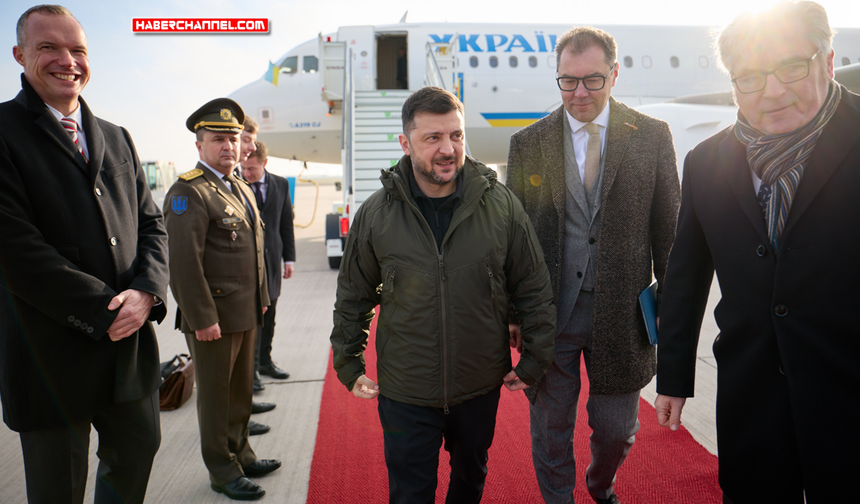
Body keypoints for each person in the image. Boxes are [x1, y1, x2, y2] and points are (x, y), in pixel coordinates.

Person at [655, 2, 860, 502]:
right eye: (749, 76)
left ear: (828, 62)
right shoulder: (706, 161)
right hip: (753, 392)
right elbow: (684, 275)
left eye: (792, 67)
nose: (772, 90)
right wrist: (674, 375)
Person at [330, 86, 556, 503]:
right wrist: (348, 361)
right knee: (410, 492)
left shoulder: (502, 206)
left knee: (470, 481)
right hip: (406, 390)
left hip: (478, 383)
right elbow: (354, 296)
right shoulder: (376, 215)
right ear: (406, 143)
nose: (448, 148)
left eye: (455, 135)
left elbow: (532, 285)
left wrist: (535, 358)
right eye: (432, 138)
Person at [0, 5, 169, 503]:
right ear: (20, 55)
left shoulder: (116, 137)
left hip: (128, 345)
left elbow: (151, 224)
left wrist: (146, 290)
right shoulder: (5, 131)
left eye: (77, 50)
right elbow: (14, 248)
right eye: (48, 47)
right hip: (50, 350)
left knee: (138, 451)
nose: (66, 60)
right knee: (59, 487)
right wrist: (104, 308)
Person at [506, 26, 680, 504]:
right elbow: (514, 242)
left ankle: (601, 489)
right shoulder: (527, 143)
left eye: (592, 80)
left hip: (623, 316)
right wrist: (514, 313)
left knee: (616, 431)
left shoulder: (651, 137)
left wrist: (672, 307)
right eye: (568, 81)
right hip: (550, 315)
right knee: (550, 430)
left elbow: (669, 232)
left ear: (615, 75)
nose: (579, 93)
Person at [163, 98, 280, 501]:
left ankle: (242, 454)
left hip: (245, 312)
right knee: (215, 400)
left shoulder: (241, 187)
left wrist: (262, 299)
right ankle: (222, 470)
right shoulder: (189, 191)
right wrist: (200, 317)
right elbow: (183, 262)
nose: (229, 146)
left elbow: (254, 251)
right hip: (212, 317)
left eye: (232, 138)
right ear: (200, 146)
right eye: (218, 139)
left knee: (240, 393)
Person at [241, 141, 296, 384]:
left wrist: (289, 259)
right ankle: (250, 371)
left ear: (265, 163)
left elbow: (286, 223)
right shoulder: (235, 184)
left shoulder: (281, 184)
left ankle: (265, 362)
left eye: (251, 169)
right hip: (246, 263)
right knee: (252, 319)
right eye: (243, 168)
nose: (246, 173)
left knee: (270, 315)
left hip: (273, 260)